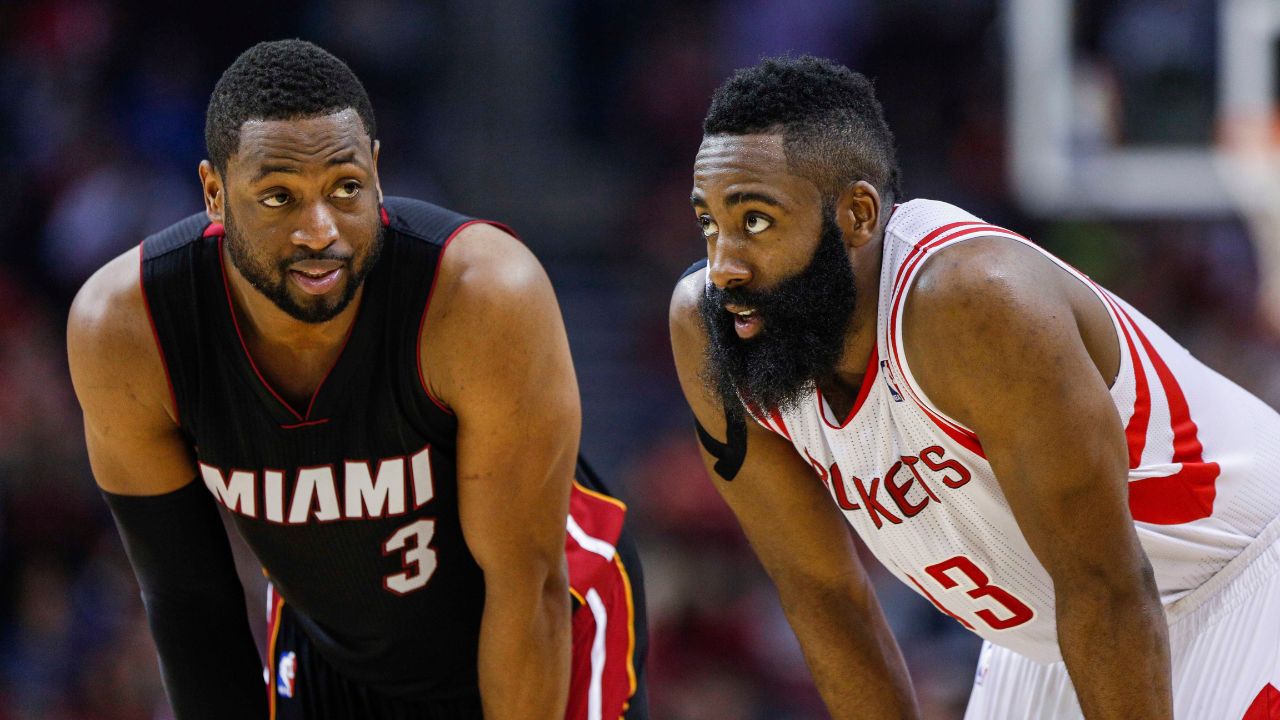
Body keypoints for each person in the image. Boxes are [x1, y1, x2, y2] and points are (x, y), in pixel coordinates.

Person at [668, 55, 1280, 719]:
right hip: (1056, 636)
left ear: (857, 216)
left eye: (755, 221)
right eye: (710, 223)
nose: (724, 264)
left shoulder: (972, 303)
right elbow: (824, 596)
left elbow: (1107, 586)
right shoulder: (716, 331)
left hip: (1233, 582)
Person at [67, 39, 646, 720]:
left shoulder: (482, 295)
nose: (320, 230)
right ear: (215, 194)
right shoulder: (128, 329)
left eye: (345, 188)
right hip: (332, 643)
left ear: (376, 170)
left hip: (542, 617)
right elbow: (189, 602)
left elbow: (528, 588)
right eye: (279, 197)